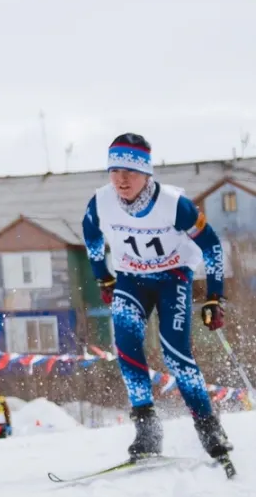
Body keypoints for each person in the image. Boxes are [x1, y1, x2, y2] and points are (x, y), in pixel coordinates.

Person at [81, 133, 231, 463]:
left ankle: (208, 426)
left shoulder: (174, 204)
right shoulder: (100, 202)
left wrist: (214, 298)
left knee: (175, 352)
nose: (122, 179)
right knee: (126, 344)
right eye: (115, 170)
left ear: (147, 174)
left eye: (131, 172)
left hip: (172, 276)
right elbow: (91, 238)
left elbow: (212, 246)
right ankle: (147, 427)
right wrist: (103, 277)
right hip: (131, 279)